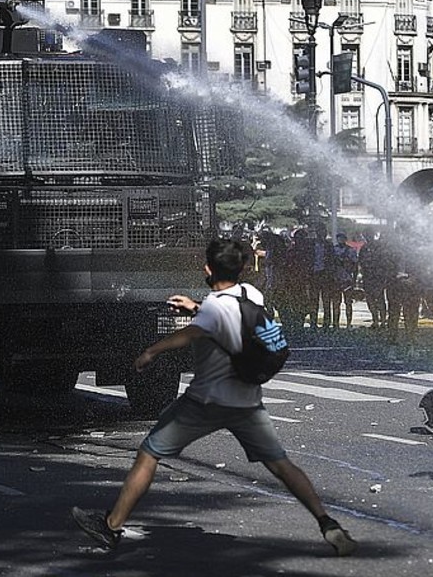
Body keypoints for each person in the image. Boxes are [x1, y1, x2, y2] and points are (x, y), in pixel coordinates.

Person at [70, 238, 357, 556]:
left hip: (204, 403)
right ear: (242, 268)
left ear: (208, 269)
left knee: (149, 453)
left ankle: (111, 527)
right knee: (281, 465)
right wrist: (195, 307)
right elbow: (228, 317)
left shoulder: (211, 308)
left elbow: (191, 333)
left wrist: (152, 350)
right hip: (247, 403)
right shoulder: (252, 296)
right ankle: (328, 524)